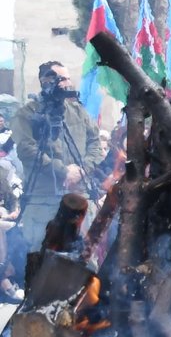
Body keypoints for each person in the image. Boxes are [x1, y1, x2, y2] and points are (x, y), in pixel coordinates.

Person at [12, 61, 106, 255]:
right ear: (45, 81)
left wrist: (82, 170)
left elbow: (95, 145)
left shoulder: (78, 112)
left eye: (68, 78)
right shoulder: (26, 114)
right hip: (43, 201)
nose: (67, 84)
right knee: (42, 258)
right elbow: (26, 149)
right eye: (62, 79)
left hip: (79, 198)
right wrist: (62, 171)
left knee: (84, 259)